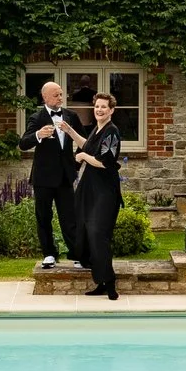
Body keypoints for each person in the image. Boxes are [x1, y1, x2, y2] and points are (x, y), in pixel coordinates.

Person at [21, 80, 84, 268]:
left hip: (65, 176)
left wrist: (76, 163)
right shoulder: (36, 118)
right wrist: (38, 135)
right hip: (43, 178)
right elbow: (23, 144)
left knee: (70, 217)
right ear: (45, 97)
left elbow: (86, 143)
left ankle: (77, 254)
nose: (60, 98)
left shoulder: (71, 117)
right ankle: (49, 254)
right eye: (56, 95)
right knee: (43, 217)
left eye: (61, 94)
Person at [74, 91, 126, 300]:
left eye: (104, 107)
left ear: (111, 110)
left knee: (98, 234)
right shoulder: (97, 129)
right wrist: (69, 130)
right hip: (90, 188)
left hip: (105, 191)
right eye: (97, 106)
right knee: (87, 231)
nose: (99, 109)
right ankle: (101, 281)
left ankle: (110, 282)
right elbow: (86, 144)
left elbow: (105, 161)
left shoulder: (112, 132)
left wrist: (84, 156)